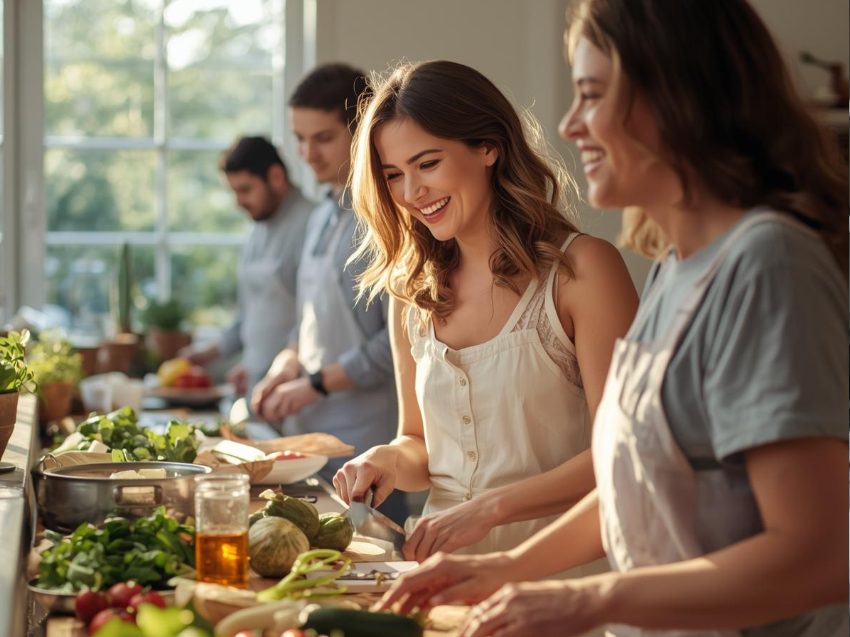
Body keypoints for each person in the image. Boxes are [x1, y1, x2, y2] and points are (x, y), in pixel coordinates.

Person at [374, 2, 849, 636]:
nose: (571, 125)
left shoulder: (767, 264)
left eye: (592, 95)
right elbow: (638, 488)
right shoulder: (675, 269)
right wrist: (505, 568)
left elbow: (819, 557)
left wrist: (587, 600)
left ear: (678, 96)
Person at [333, 59, 638, 563]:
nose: (411, 194)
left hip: (561, 574)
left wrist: (491, 509)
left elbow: (623, 454)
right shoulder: (411, 292)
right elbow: (418, 444)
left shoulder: (582, 270)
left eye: (427, 164)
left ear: (488, 147)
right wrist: (386, 459)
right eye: (393, 175)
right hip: (438, 574)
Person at [250, 64, 406, 522]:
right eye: (300, 138)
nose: (306, 154)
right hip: (308, 440)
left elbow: (392, 348)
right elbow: (310, 317)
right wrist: (288, 363)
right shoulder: (321, 215)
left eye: (322, 138)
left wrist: (315, 385)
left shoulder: (387, 220)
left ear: (361, 131)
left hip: (364, 448)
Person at [182, 136, 313, 402]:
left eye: (245, 190)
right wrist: (215, 353)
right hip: (259, 387)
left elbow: (312, 319)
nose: (238, 202)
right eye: (234, 192)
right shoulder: (257, 229)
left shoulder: (312, 223)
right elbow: (254, 314)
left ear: (275, 176)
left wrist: (272, 369)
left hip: (294, 391)